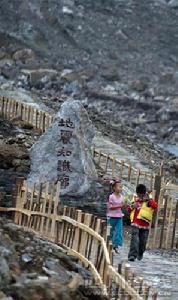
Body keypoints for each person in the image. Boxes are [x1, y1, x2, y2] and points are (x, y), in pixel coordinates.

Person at [127, 184, 158, 261]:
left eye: (141, 195)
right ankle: (132, 255)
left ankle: (140, 253)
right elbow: (128, 209)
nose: (140, 196)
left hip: (145, 224)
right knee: (135, 239)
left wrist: (149, 200)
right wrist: (132, 207)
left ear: (144, 193)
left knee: (143, 242)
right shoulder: (134, 198)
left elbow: (155, 206)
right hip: (135, 222)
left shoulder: (149, 199)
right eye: (138, 195)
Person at [107, 179, 124, 254]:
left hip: (119, 217)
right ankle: (108, 244)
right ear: (114, 188)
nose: (120, 188)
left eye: (121, 187)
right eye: (119, 187)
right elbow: (110, 207)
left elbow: (123, 205)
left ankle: (116, 245)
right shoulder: (111, 196)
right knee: (110, 231)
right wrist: (120, 205)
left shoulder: (122, 197)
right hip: (111, 216)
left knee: (118, 231)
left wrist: (126, 205)